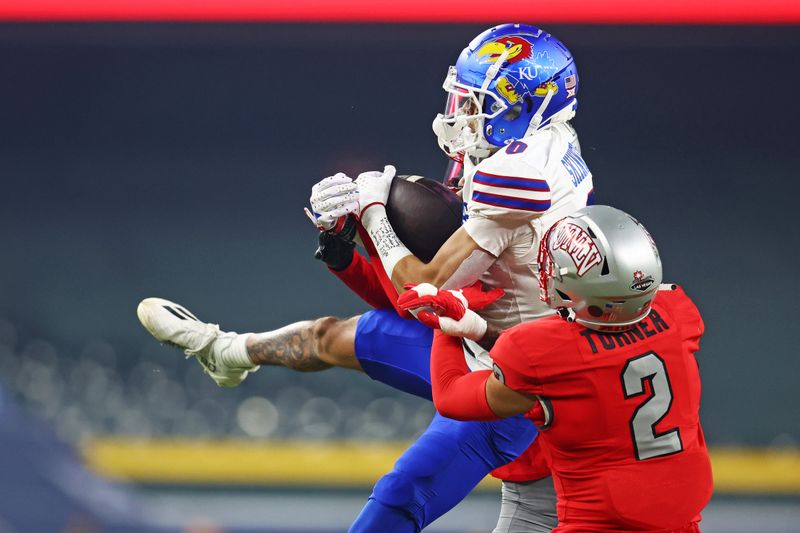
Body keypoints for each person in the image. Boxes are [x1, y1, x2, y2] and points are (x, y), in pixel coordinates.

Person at [138, 23, 592, 532]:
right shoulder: (525, 148)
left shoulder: (519, 176)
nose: (459, 114)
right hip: (480, 341)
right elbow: (413, 301)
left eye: (477, 103)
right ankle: (226, 353)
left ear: (528, 103)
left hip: (516, 387)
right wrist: (342, 249)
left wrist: (375, 217)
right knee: (328, 336)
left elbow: (424, 289)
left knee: (403, 494)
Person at [399, 205, 713, 532]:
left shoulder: (535, 349)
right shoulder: (678, 311)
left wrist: (443, 327)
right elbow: (590, 363)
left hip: (598, 522)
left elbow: (452, 397)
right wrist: (477, 329)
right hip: (682, 519)